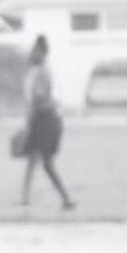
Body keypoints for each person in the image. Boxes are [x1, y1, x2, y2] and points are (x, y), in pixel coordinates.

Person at [18, 36, 74, 213]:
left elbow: (40, 99)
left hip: (46, 121)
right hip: (43, 119)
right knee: (34, 160)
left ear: (42, 53)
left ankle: (65, 199)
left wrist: (29, 122)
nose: (32, 54)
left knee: (45, 163)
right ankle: (26, 200)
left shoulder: (43, 72)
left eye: (35, 51)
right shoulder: (37, 72)